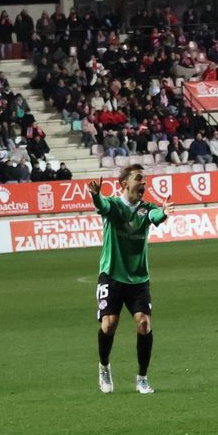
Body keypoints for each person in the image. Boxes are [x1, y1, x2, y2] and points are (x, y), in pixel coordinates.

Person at [92, 165, 168, 395]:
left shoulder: (147, 209)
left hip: (138, 279)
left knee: (144, 323)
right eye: (139, 178)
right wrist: (96, 195)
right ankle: (104, 367)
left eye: (144, 179)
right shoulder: (114, 206)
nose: (143, 183)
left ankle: (142, 378)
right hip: (111, 275)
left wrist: (164, 212)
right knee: (109, 324)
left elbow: (156, 216)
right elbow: (102, 206)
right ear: (125, 184)